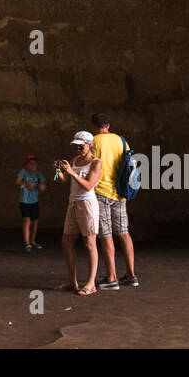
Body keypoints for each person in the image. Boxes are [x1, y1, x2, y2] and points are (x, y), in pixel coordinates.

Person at [89, 113, 138, 291]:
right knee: (124, 232)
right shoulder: (121, 140)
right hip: (120, 193)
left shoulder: (93, 142)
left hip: (101, 192)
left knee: (106, 235)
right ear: (108, 124)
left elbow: (89, 165)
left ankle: (111, 277)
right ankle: (131, 275)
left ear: (94, 127)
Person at [53, 131, 101, 295]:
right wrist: (58, 171)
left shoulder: (96, 163)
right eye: (75, 146)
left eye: (81, 145)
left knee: (89, 243)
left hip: (87, 203)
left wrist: (72, 172)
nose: (78, 148)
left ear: (89, 144)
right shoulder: (75, 160)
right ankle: (71, 281)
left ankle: (91, 283)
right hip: (73, 203)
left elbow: (88, 185)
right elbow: (65, 180)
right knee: (66, 242)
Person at [16, 155, 46, 252]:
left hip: (34, 201)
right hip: (24, 201)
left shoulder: (38, 174)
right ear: (26, 165)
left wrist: (42, 186)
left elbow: (43, 184)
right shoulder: (23, 172)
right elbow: (17, 182)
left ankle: (32, 241)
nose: (33, 165)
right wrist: (25, 184)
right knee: (27, 221)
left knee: (35, 222)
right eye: (31, 163)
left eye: (35, 164)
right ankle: (27, 243)